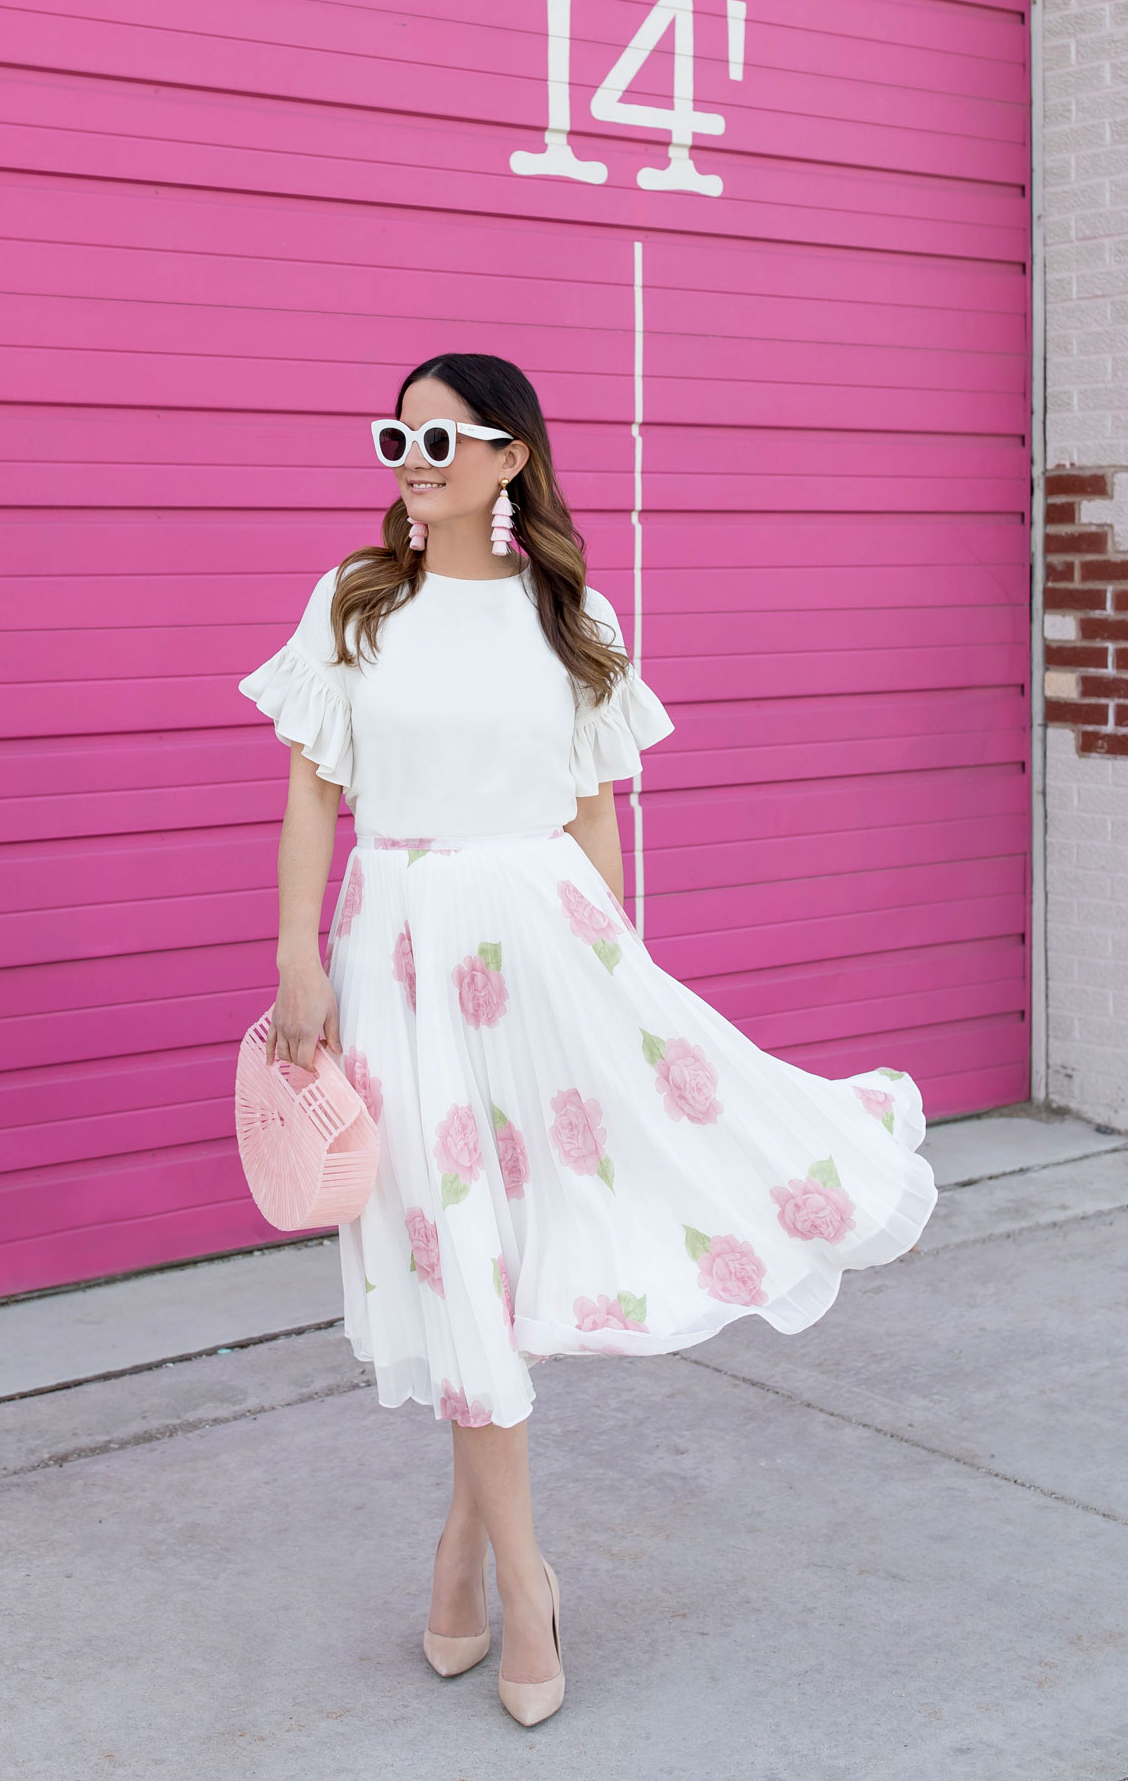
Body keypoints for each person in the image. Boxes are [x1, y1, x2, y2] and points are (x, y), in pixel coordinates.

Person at [238, 352, 937, 1727]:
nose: (414, 458)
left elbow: (593, 807)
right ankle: (512, 1568)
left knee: (493, 1249)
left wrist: (615, 965)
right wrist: (295, 954)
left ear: (512, 461)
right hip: (395, 949)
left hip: (542, 949)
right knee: (452, 1248)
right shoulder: (353, 602)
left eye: (444, 437)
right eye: (399, 435)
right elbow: (314, 794)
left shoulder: (573, 617)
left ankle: (477, 1562)